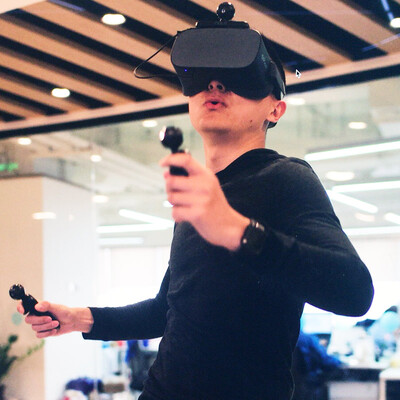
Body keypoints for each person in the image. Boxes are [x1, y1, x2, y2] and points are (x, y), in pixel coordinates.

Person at [17, 14, 374, 400]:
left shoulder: (286, 178)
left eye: (238, 78)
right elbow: (166, 310)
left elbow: (354, 292)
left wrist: (237, 231)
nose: (215, 85)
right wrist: (81, 318)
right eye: (204, 77)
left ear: (275, 110)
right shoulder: (199, 195)